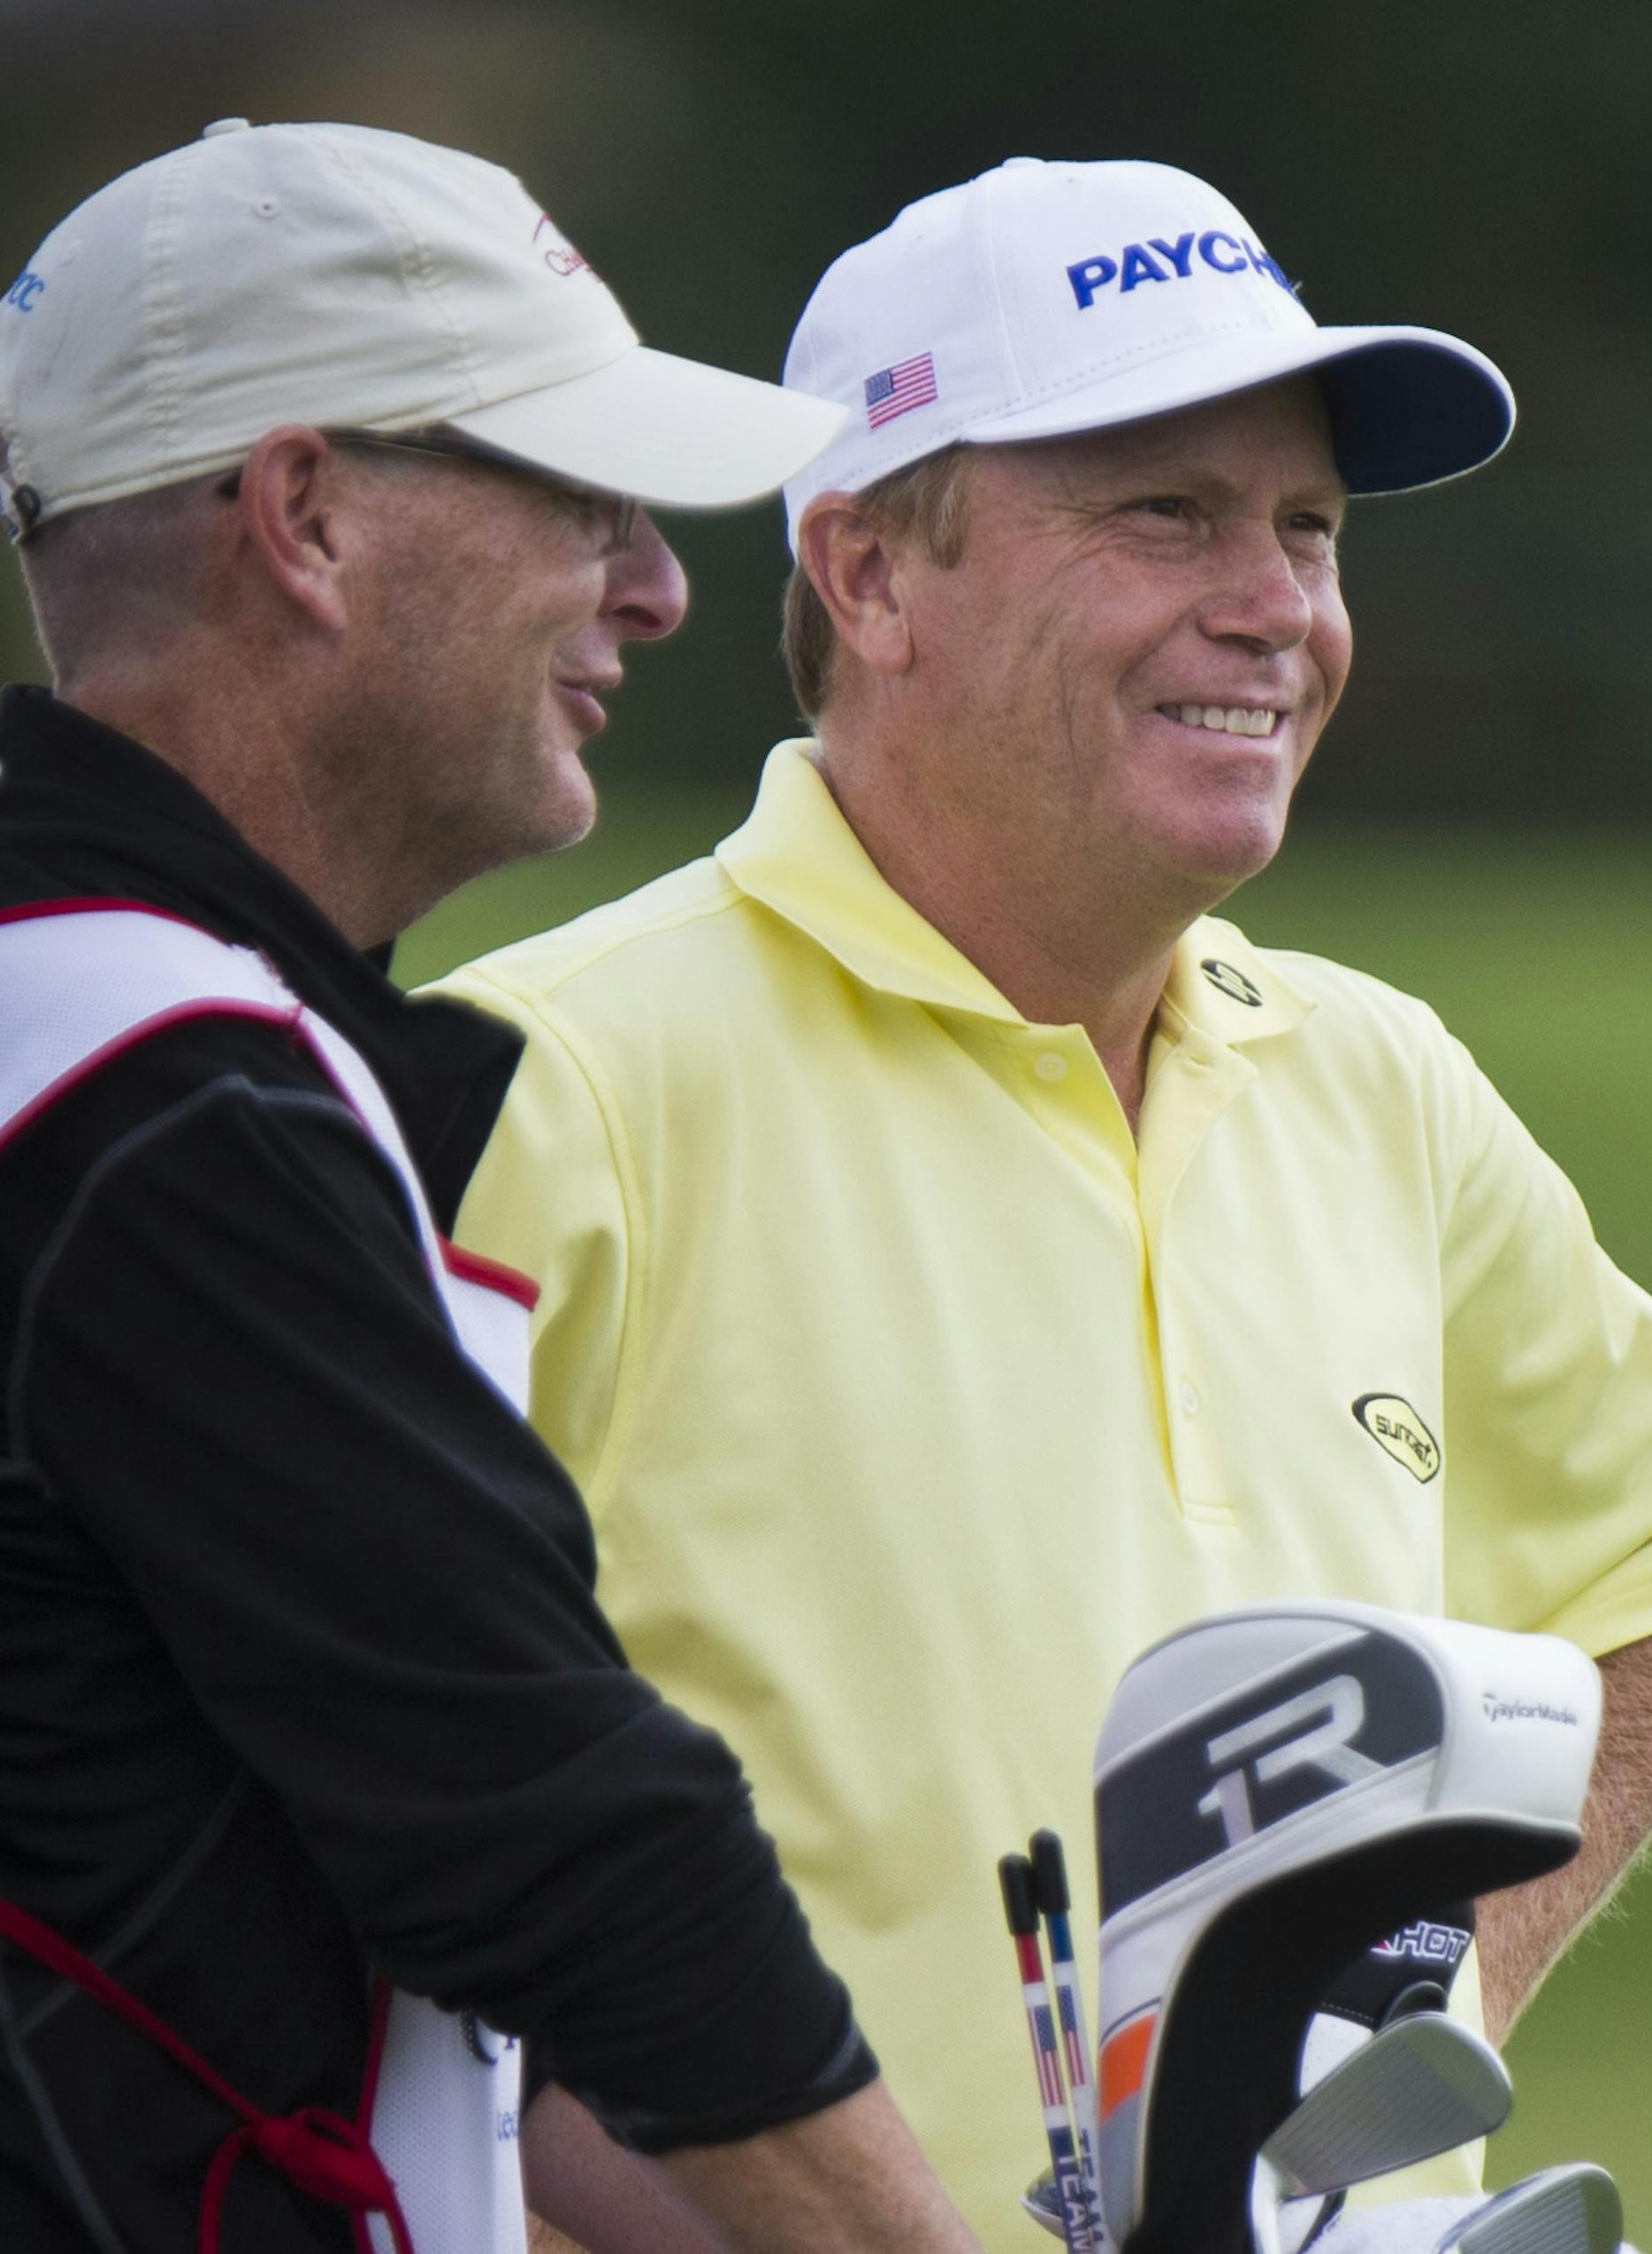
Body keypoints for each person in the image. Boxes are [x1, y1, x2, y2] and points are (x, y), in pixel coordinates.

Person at [435, 158, 1652, 2248]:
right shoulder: (547, 1081)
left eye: (1309, 528)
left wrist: (1409, 2009)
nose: (1280, 606)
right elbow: (319, 1818)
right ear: (869, 576)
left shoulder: (1376, 1080)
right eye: (1167, 512)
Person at [0, 120, 987, 2254]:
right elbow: (551, 1828)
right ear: (309, 515)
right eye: (580, 496)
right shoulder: (149, 1091)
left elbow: (403, 1933)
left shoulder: (104, 1033)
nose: (655, 583)